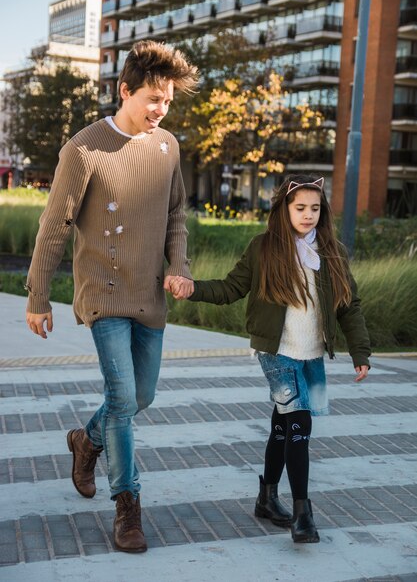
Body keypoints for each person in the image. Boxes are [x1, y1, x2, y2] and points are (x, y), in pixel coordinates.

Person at [25, 40, 199, 553]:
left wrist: (179, 267)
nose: (159, 110)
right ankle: (128, 506)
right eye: (151, 98)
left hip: (150, 296)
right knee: (123, 399)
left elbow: (175, 217)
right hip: (102, 293)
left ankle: (86, 441)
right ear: (124, 90)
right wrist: (38, 296)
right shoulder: (83, 148)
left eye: (166, 101)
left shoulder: (167, 147)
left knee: (141, 397)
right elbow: (54, 226)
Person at [168, 174, 371, 544]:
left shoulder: (331, 252)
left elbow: (348, 306)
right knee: (299, 425)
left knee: (282, 426)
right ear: (284, 210)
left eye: (314, 208)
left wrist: (361, 351)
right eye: (300, 208)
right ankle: (302, 515)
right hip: (275, 352)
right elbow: (231, 288)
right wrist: (192, 288)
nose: (308, 215)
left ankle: (265, 497)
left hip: (310, 355)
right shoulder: (264, 248)